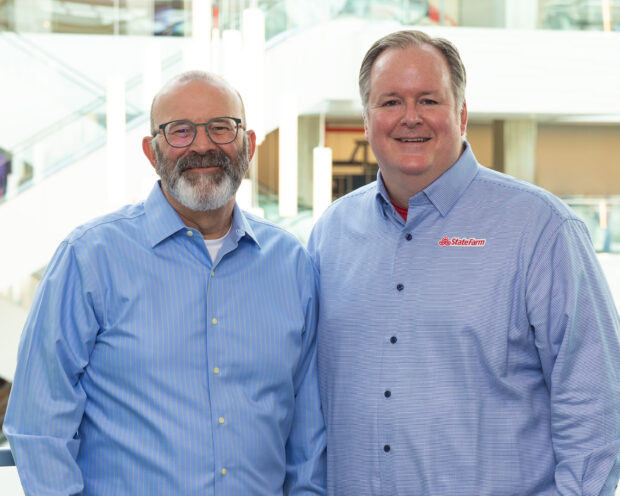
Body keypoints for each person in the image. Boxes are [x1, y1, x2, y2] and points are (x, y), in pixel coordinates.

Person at [307, 30, 620, 495]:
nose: (410, 117)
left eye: (428, 100)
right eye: (390, 102)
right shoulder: (330, 235)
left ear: (462, 115)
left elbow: (594, 403)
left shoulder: (541, 228)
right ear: (366, 121)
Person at [4, 70, 326, 495]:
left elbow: (308, 442)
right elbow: (38, 426)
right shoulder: (89, 258)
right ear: (150, 151)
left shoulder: (292, 265)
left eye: (221, 127)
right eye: (180, 130)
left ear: (248, 144)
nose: (203, 145)